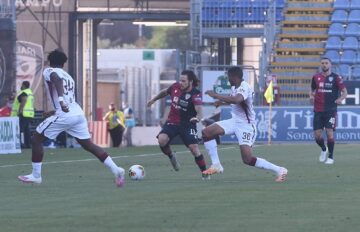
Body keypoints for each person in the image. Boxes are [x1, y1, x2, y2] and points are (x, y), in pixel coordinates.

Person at [17, 49, 125, 187]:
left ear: (50, 62)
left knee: (36, 139)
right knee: (88, 145)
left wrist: (61, 102)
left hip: (65, 114)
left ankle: (36, 176)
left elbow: (57, 79)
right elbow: (69, 98)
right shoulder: (70, 78)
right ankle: (116, 169)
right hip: (77, 114)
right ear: (63, 63)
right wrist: (54, 110)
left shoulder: (49, 71)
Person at [202, 66, 288, 182]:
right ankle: (216, 164)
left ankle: (279, 169)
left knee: (247, 159)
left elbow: (237, 100)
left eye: (229, 77)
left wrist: (217, 95)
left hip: (246, 126)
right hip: (234, 121)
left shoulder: (244, 87)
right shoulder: (235, 86)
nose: (228, 79)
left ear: (234, 77)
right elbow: (237, 104)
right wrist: (221, 103)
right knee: (207, 132)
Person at [147, 70, 209, 179]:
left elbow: (199, 110)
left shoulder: (195, 94)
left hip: (188, 124)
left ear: (190, 81)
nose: (181, 82)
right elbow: (164, 92)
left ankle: (205, 173)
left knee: (194, 148)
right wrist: (153, 100)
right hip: (172, 122)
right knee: (162, 140)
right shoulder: (175, 87)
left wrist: (197, 118)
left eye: (184, 81)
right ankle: (171, 156)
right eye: (180, 80)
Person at [309, 57, 347, 164]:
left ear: (330, 65)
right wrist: (311, 96)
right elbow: (312, 90)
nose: (324, 65)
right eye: (322, 63)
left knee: (330, 133)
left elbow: (344, 92)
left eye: (326, 63)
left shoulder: (336, 78)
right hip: (318, 109)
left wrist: (340, 99)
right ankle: (323, 149)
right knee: (317, 135)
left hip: (331, 110)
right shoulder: (316, 77)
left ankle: (331, 157)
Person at [11, 81, 35, 148]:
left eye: (22, 85)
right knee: (26, 130)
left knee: (20, 129)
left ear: (24, 85)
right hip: (29, 114)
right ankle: (28, 144)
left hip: (23, 113)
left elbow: (24, 100)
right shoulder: (30, 92)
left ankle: (21, 144)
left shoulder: (24, 92)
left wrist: (20, 110)